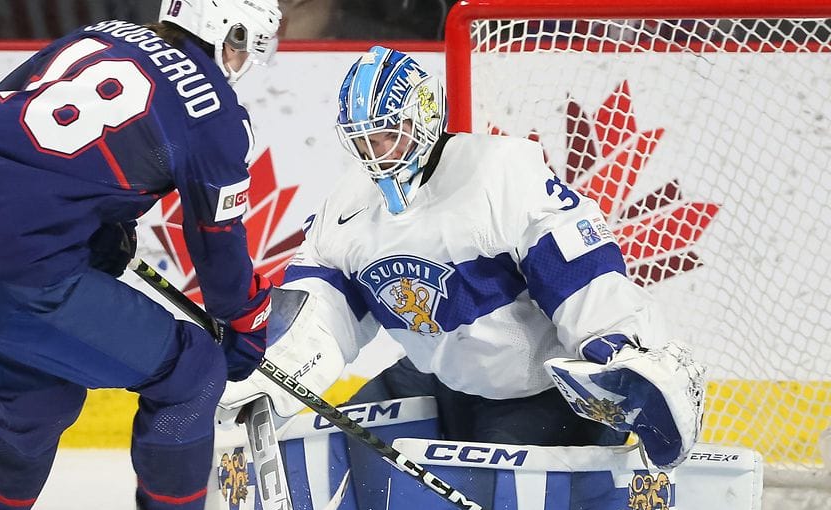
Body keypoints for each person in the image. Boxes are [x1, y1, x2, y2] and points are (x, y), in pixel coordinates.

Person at [0, 2, 281, 510]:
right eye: (248, 44)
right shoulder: (213, 111)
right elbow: (217, 239)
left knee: (39, 386)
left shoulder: (105, 33)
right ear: (229, 34)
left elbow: (10, 117)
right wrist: (244, 321)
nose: (245, 59)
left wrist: (95, 226)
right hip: (13, 266)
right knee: (193, 370)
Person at [222, 45, 705, 471]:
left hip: (536, 395)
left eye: (388, 134)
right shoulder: (347, 205)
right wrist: (274, 369)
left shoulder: (500, 172)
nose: (377, 153)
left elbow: (581, 270)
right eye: (363, 140)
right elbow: (321, 309)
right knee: (330, 459)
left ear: (425, 116)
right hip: (437, 380)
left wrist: (617, 348)